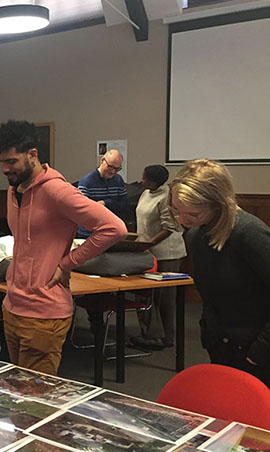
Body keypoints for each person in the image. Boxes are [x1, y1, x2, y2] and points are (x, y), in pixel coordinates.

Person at [0, 120, 127, 375]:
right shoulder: (13, 189)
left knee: (35, 399)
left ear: (32, 155)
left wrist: (66, 263)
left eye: (11, 161)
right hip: (13, 306)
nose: (5, 169)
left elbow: (114, 228)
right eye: (1, 162)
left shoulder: (57, 190)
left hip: (44, 312)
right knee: (18, 391)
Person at [170, 159, 270, 386]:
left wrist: (260, 352)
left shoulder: (250, 233)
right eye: (177, 211)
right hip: (222, 344)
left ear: (219, 205)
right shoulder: (197, 236)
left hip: (256, 351)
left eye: (192, 214)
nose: (182, 221)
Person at [130, 165, 186, 350]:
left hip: (167, 254)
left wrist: (149, 243)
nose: (142, 180)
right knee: (147, 296)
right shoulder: (147, 192)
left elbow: (169, 227)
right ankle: (151, 334)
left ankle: (166, 338)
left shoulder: (167, 197)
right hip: (147, 251)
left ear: (155, 181)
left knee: (164, 298)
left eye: (145, 178)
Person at [77, 149, 129, 238]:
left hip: (112, 231)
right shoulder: (87, 181)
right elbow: (83, 211)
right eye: (110, 167)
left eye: (117, 169)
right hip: (89, 233)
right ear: (102, 161)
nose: (113, 171)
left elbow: (125, 205)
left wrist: (106, 203)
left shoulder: (118, 180)